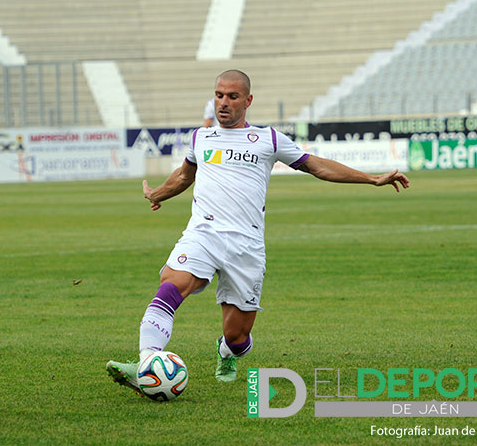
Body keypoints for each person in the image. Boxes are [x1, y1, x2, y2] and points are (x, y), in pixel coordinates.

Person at [106, 69, 409, 393]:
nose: (223, 103)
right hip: (203, 233)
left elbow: (316, 165)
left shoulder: (269, 140)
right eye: (219, 95)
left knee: (237, 336)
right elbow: (183, 176)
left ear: (247, 100)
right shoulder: (201, 138)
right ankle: (146, 363)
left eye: (232, 97)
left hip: (246, 246)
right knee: (171, 284)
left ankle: (226, 351)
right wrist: (157, 194)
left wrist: (372, 178)